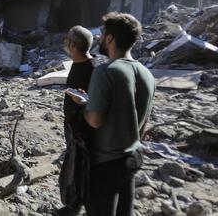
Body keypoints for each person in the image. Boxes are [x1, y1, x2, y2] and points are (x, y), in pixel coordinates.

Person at [67, 12, 155, 216]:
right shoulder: (146, 74)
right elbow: (141, 124)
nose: (99, 39)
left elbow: (95, 120)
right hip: (132, 157)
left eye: (102, 35)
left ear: (110, 39)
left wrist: (83, 105)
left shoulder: (106, 71)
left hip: (105, 165)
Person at [57, 26, 96, 215]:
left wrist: (82, 102)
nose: (65, 43)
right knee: (74, 166)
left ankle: (81, 206)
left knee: (82, 168)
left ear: (73, 44)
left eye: (67, 40)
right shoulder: (77, 64)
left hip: (84, 128)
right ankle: (73, 205)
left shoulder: (94, 69)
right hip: (72, 125)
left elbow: (97, 103)